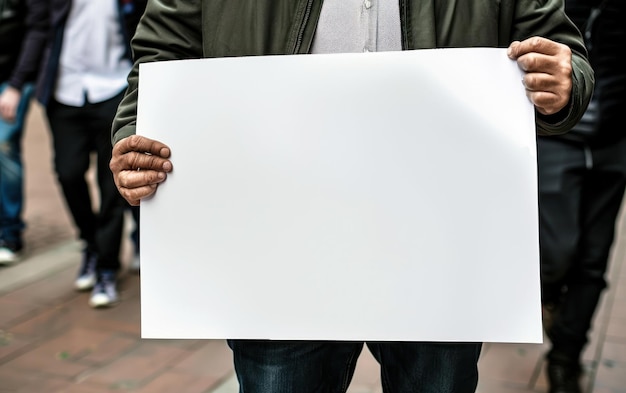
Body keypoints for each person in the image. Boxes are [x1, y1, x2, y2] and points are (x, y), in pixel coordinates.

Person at [110, 0, 594, 391]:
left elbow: (556, 44)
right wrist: (135, 137)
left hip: (440, 244)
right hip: (279, 245)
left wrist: (563, 83)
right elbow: (162, 53)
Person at [538, 1, 625, 392]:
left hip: (614, 141)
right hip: (556, 138)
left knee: (594, 260)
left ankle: (565, 358)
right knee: (555, 254)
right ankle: (550, 296)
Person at [36, 0, 145, 307]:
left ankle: (107, 268)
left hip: (113, 88)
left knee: (111, 184)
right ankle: (91, 244)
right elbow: (37, 26)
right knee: (68, 172)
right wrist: (19, 83)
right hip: (65, 91)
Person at [0, 0, 48, 264]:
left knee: (4, 148)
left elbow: (36, 27)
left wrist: (16, 84)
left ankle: (10, 234)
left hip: (11, 79)